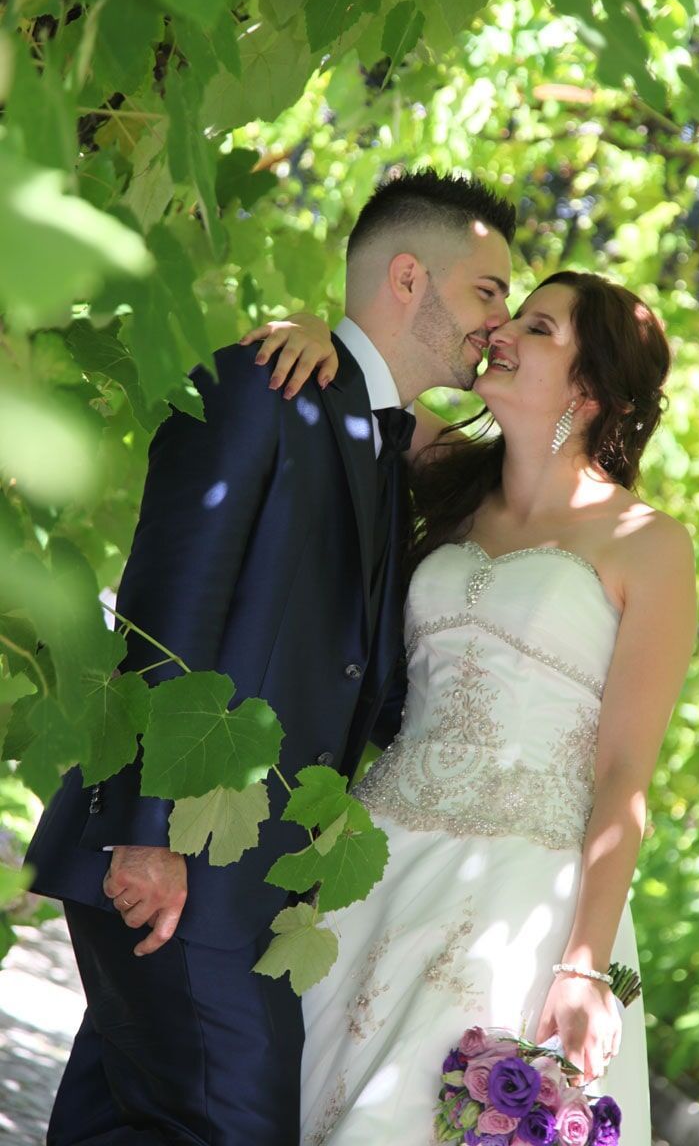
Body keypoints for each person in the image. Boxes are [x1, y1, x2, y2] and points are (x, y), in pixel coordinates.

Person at [24, 169, 514, 1145]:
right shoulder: (261, 388)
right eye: (487, 292)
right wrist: (147, 831)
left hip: (255, 888)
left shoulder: (390, 450)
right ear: (408, 278)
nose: (496, 326)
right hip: (178, 866)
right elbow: (172, 602)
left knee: (119, 1127)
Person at [243, 269, 696, 1143]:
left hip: (522, 893)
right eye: (512, 318)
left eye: (540, 329)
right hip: (372, 858)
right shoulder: (449, 473)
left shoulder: (650, 544)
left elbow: (625, 772)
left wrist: (585, 965)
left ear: (593, 386)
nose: (503, 334)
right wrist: (309, 324)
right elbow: (359, 373)